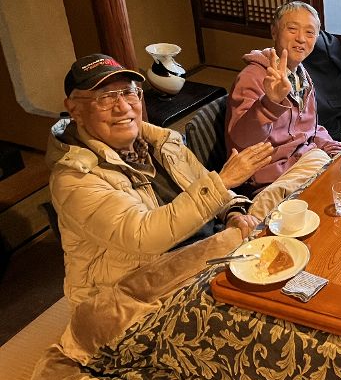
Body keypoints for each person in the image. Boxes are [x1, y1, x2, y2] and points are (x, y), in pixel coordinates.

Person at [48, 54, 275, 307]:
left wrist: (233, 213)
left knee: (284, 210)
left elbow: (206, 186)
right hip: (136, 294)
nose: (122, 106)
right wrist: (223, 182)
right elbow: (144, 235)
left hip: (206, 252)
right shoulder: (74, 179)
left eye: (128, 93)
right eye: (105, 97)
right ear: (75, 110)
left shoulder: (162, 142)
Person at [226, 1, 341, 199]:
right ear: (274, 31)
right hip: (269, 182)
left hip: (302, 164)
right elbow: (241, 140)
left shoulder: (300, 74)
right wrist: (270, 102)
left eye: (309, 32)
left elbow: (310, 128)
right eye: (292, 29)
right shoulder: (252, 77)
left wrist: (333, 148)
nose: (301, 39)